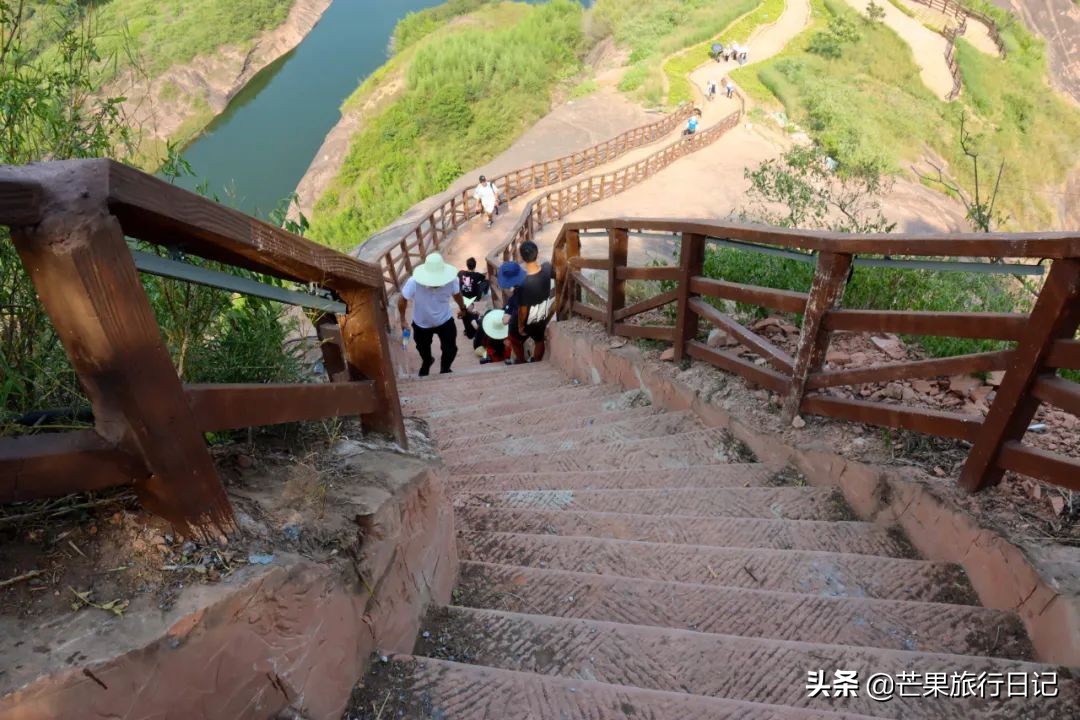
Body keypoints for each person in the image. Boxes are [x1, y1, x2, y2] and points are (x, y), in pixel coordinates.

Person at [397, 252, 469, 377]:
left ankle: (445, 369)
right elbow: (402, 299)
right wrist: (403, 320)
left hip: (444, 320)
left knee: (450, 349)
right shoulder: (414, 282)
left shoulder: (452, 281)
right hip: (421, 324)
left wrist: (463, 308)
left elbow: (457, 294)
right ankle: (427, 361)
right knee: (422, 349)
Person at [504, 241, 554, 364]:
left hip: (528, 318)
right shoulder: (547, 268)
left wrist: (521, 326)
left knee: (513, 335)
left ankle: (521, 361)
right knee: (539, 339)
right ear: (537, 253)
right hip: (542, 313)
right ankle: (536, 361)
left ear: (522, 257)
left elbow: (523, 309)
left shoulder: (522, 284)